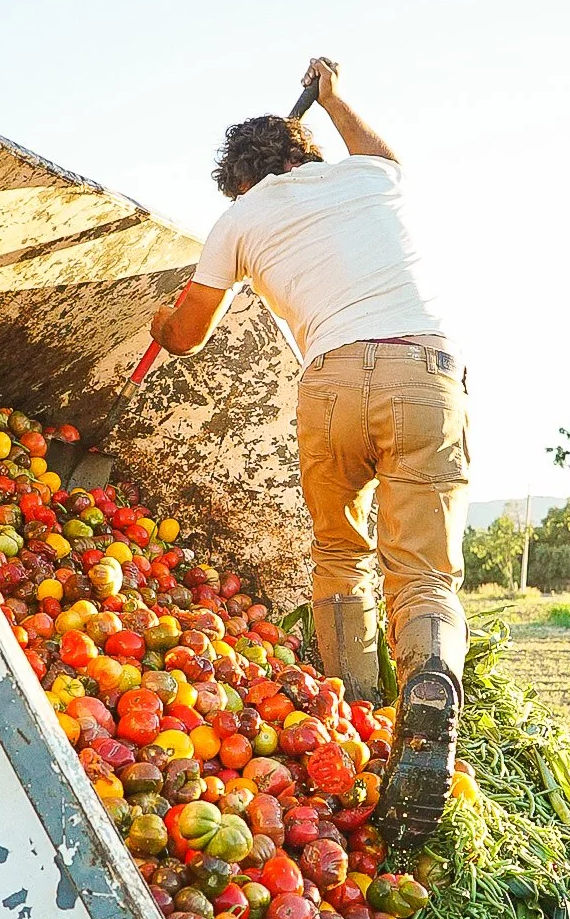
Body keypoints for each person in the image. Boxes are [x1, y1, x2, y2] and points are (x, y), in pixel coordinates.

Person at [150, 58, 470, 845]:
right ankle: (428, 684)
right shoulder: (365, 178)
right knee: (422, 569)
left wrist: (163, 323)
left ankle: (352, 716)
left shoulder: (239, 220)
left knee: (340, 552)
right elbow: (384, 155)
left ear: (240, 180)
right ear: (307, 154)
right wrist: (333, 99)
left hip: (327, 385)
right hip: (419, 369)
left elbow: (188, 337)